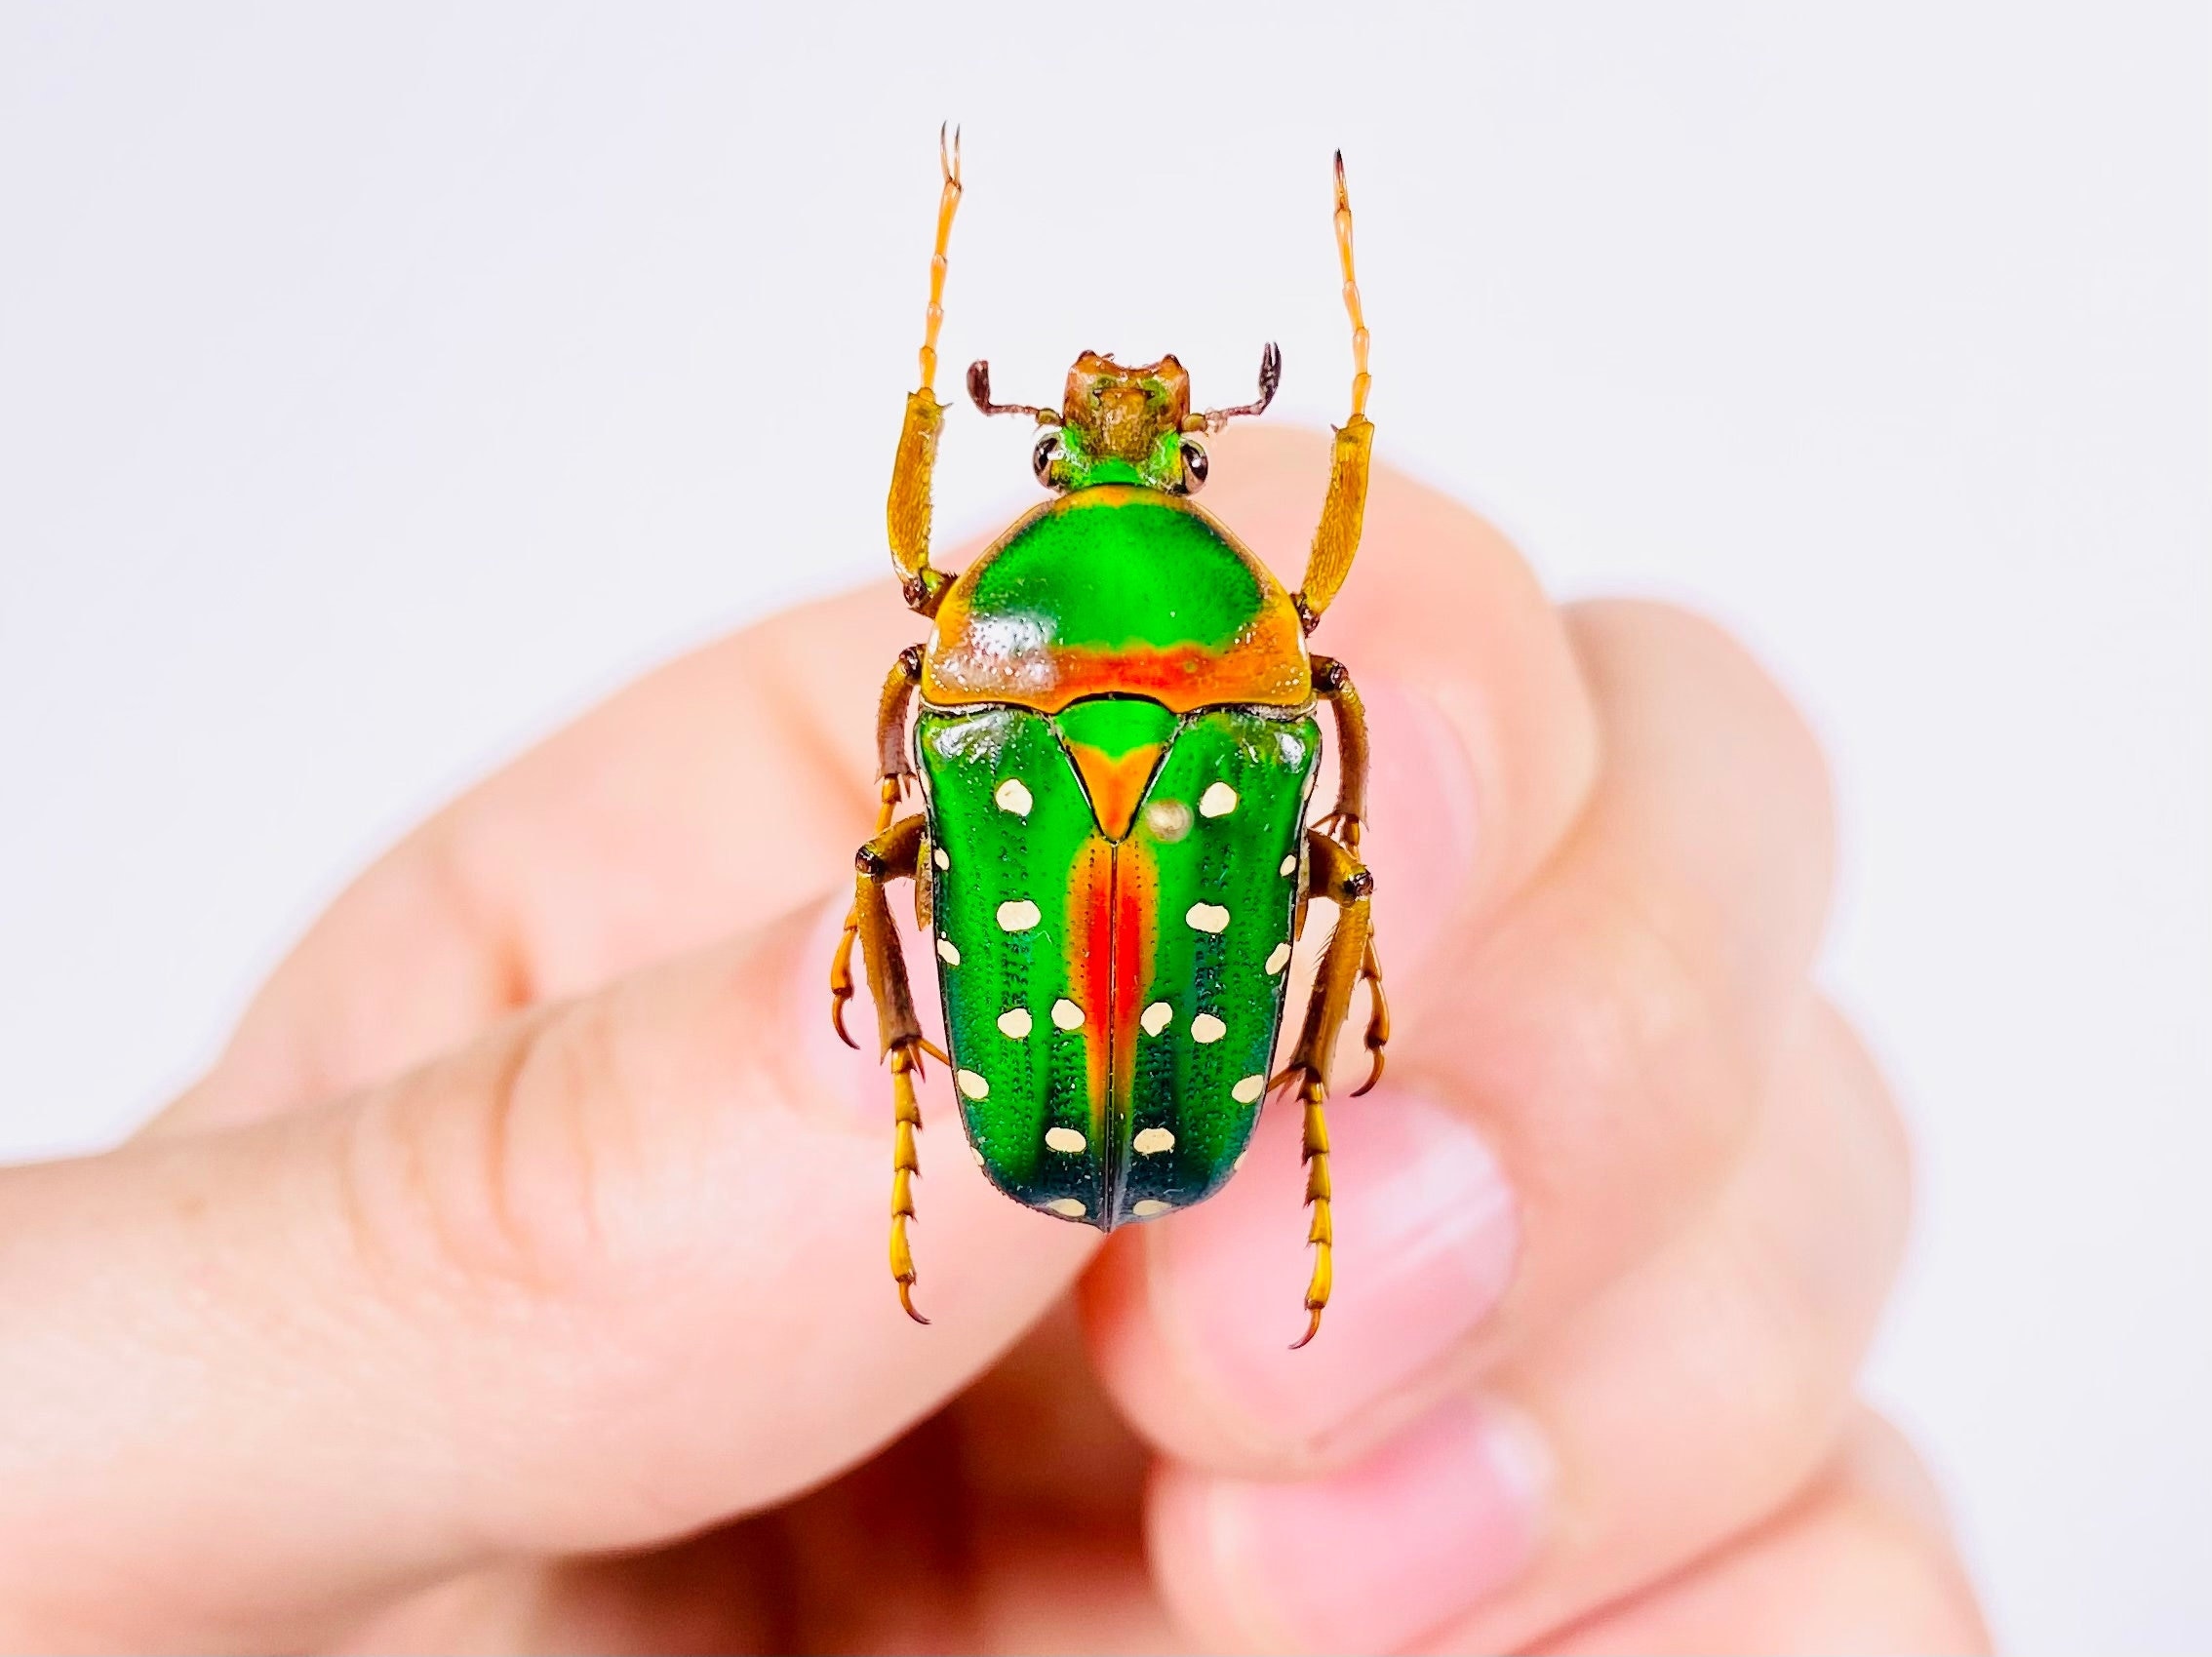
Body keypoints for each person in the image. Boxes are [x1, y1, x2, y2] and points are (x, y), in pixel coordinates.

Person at [0, 428, 1987, 1652]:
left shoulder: (990, 685)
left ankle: (1259, 1125)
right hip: (1158, 1117)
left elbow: (972, 707)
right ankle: (1300, 1139)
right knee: (1345, 877)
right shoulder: (1221, 675)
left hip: (1040, 1114)